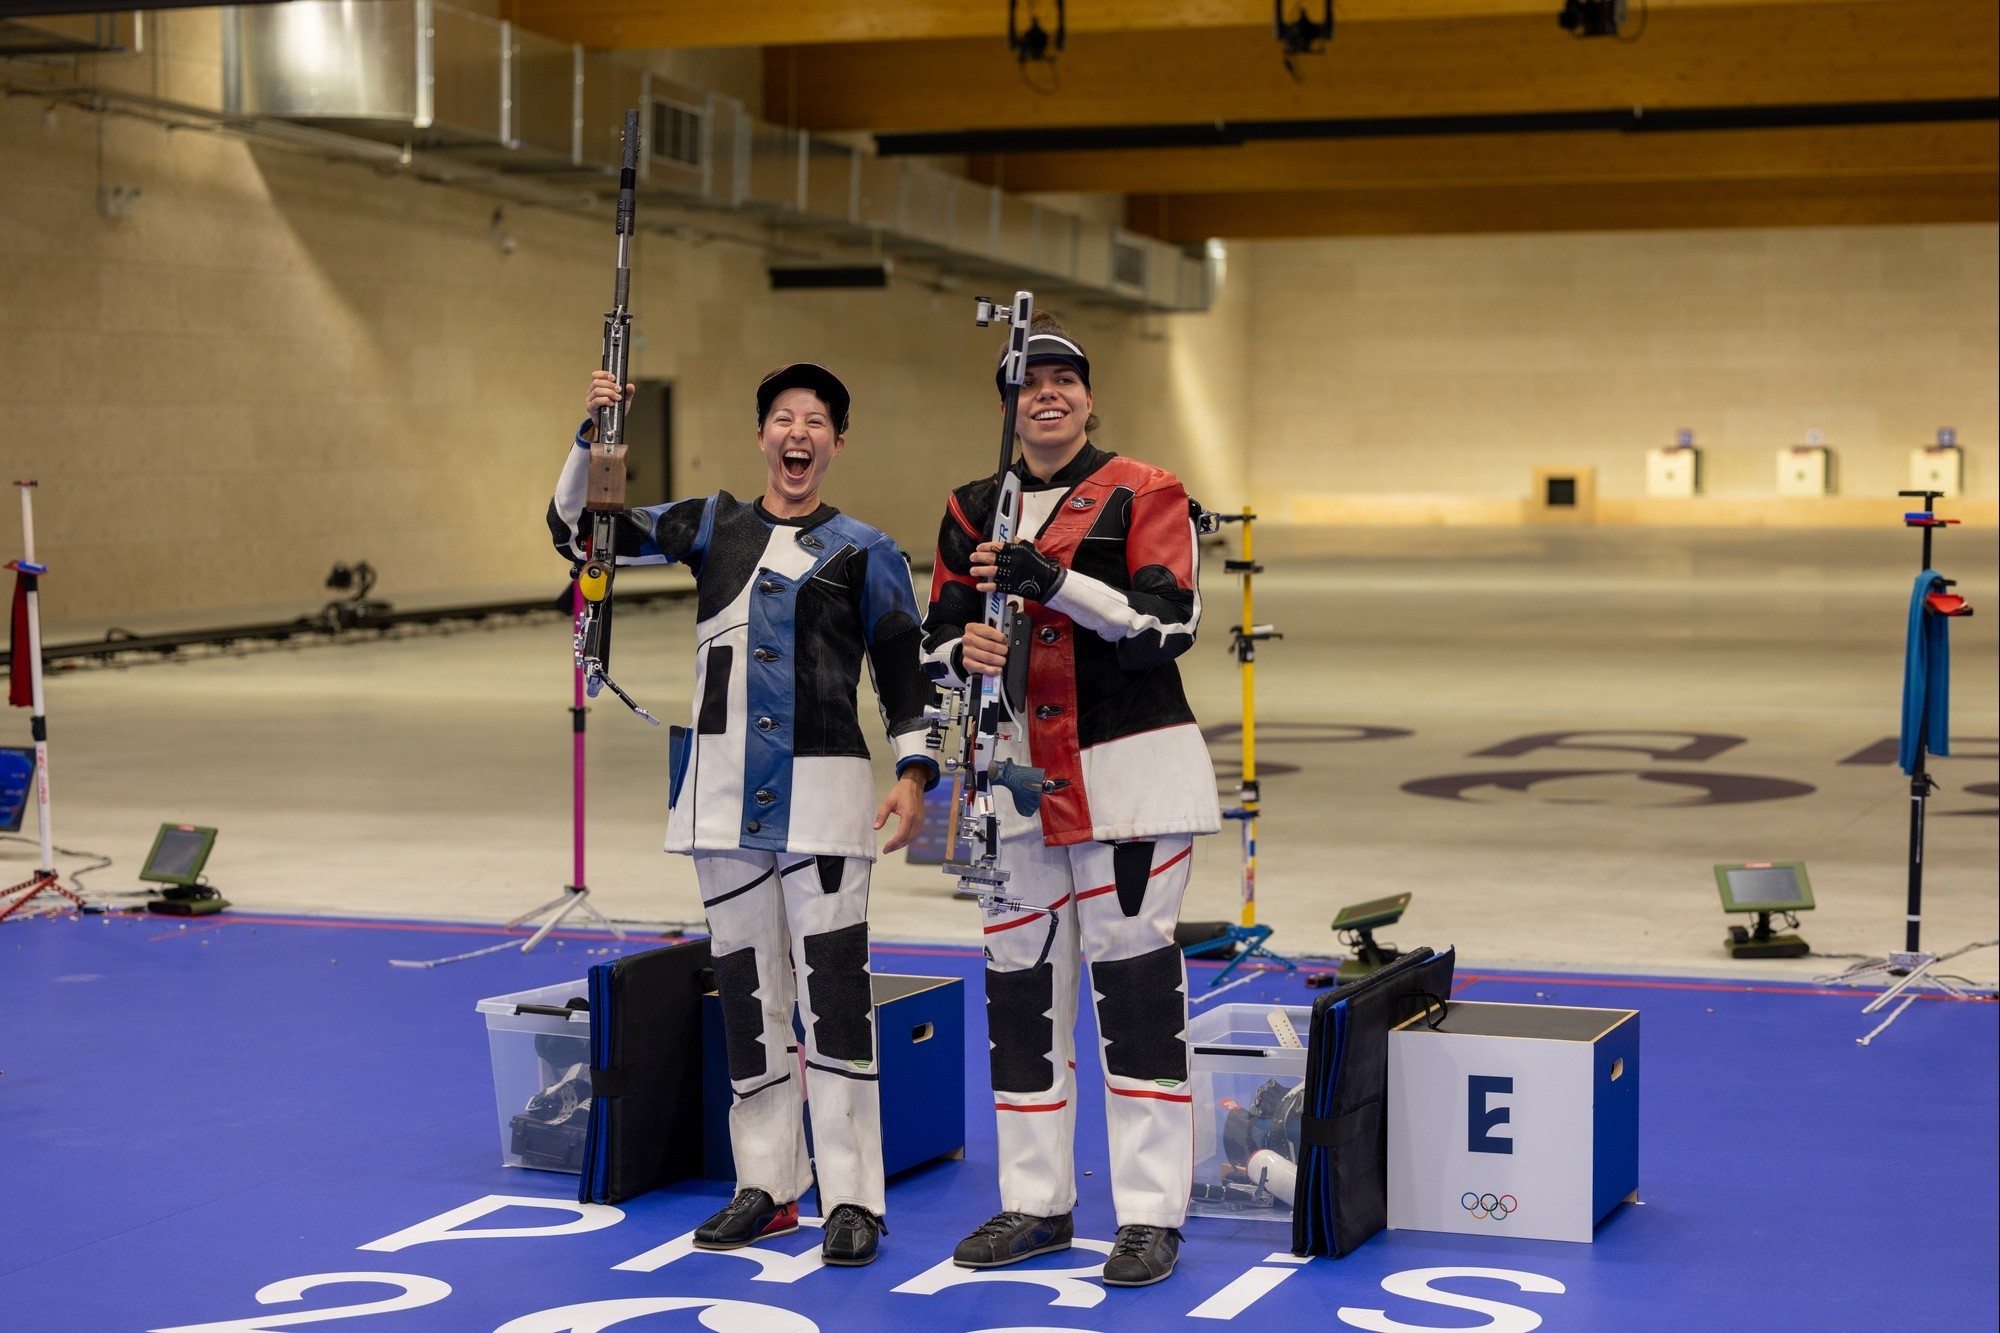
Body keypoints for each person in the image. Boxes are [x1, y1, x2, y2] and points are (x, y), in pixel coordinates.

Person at [550, 363, 938, 1267]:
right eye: (781, 418)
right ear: (761, 434)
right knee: (749, 1000)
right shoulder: (711, 524)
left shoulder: (866, 550)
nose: (796, 433)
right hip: (718, 802)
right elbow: (580, 536)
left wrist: (916, 772)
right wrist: (593, 435)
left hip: (828, 805)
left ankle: (854, 1200)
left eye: (815, 421)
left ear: (837, 442)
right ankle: (765, 1186)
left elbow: (905, 676)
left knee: (837, 1000)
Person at [920, 313, 1220, 1287]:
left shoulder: (1144, 489)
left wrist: (1055, 581)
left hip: (1128, 778)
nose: (1044, 393)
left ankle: (1147, 1213)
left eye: (1062, 378)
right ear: (1006, 404)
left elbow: (1162, 627)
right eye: (1025, 380)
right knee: (1019, 998)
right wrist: (959, 657)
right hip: (1009, 791)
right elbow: (934, 645)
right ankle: (1035, 1201)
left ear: (1088, 397)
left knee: (1133, 992)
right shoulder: (970, 510)